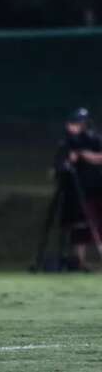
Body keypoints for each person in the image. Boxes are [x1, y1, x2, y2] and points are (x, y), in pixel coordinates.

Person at [55, 107, 102, 270]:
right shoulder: (67, 142)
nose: (79, 126)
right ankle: (80, 261)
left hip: (96, 186)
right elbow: (63, 164)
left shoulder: (93, 138)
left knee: (97, 222)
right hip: (76, 189)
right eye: (77, 123)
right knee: (79, 224)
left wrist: (85, 155)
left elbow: (97, 157)